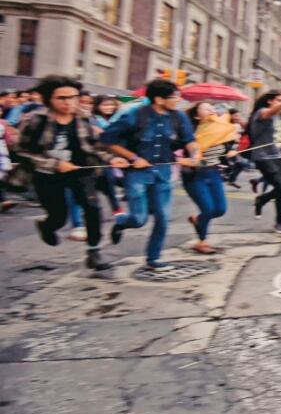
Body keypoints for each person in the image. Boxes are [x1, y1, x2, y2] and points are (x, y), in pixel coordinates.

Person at [17, 75, 129, 271]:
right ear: (48, 99)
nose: (69, 102)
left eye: (73, 97)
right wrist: (54, 164)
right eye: (62, 98)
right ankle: (47, 226)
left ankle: (94, 251)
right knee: (59, 215)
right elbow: (21, 151)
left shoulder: (84, 117)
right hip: (47, 174)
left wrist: (112, 159)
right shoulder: (35, 119)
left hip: (80, 171)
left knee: (93, 208)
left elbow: (95, 146)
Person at [101, 79, 201, 272]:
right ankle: (121, 222)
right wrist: (133, 157)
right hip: (137, 174)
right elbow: (107, 139)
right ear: (159, 99)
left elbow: (190, 140)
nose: (178, 100)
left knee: (163, 217)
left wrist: (195, 155)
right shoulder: (134, 115)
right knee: (139, 219)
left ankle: (153, 258)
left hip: (163, 173)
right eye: (174, 97)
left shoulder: (179, 117)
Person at [182, 102, 236, 254]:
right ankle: (201, 241)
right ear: (197, 115)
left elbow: (227, 147)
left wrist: (230, 151)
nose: (212, 109)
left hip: (213, 172)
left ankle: (198, 220)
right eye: (206, 108)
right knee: (208, 208)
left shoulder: (220, 130)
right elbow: (184, 154)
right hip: (194, 175)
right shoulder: (190, 133)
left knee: (220, 210)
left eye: (212, 107)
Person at [248, 90, 281, 235]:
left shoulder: (278, 117)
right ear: (270, 101)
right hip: (263, 157)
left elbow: (275, 135)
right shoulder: (262, 112)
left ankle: (262, 199)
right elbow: (268, 113)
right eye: (278, 100)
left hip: (278, 155)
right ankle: (279, 223)